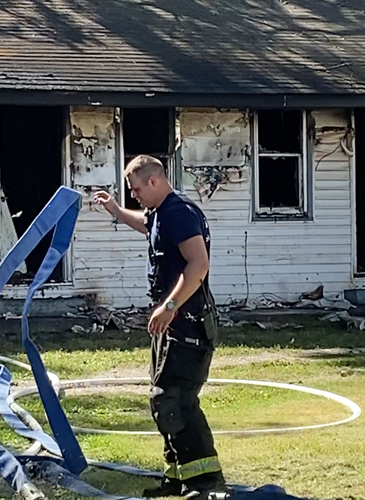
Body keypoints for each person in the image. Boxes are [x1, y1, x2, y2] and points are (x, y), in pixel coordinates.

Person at [92, 154, 225, 499]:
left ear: (154, 181)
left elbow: (199, 264)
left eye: (135, 190)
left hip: (188, 323)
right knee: (163, 401)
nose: (134, 195)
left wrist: (169, 305)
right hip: (172, 324)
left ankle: (206, 482)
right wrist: (118, 211)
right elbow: (149, 225)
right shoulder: (162, 213)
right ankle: (178, 477)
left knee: (176, 400)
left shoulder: (178, 213)